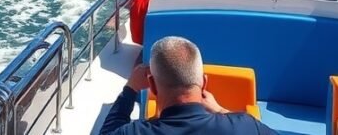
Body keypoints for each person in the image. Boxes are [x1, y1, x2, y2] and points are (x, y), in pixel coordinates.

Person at [100, 36, 277, 135]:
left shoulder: (134, 132)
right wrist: (221, 110)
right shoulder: (246, 126)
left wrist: (130, 89)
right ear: (204, 83)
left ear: (152, 85)